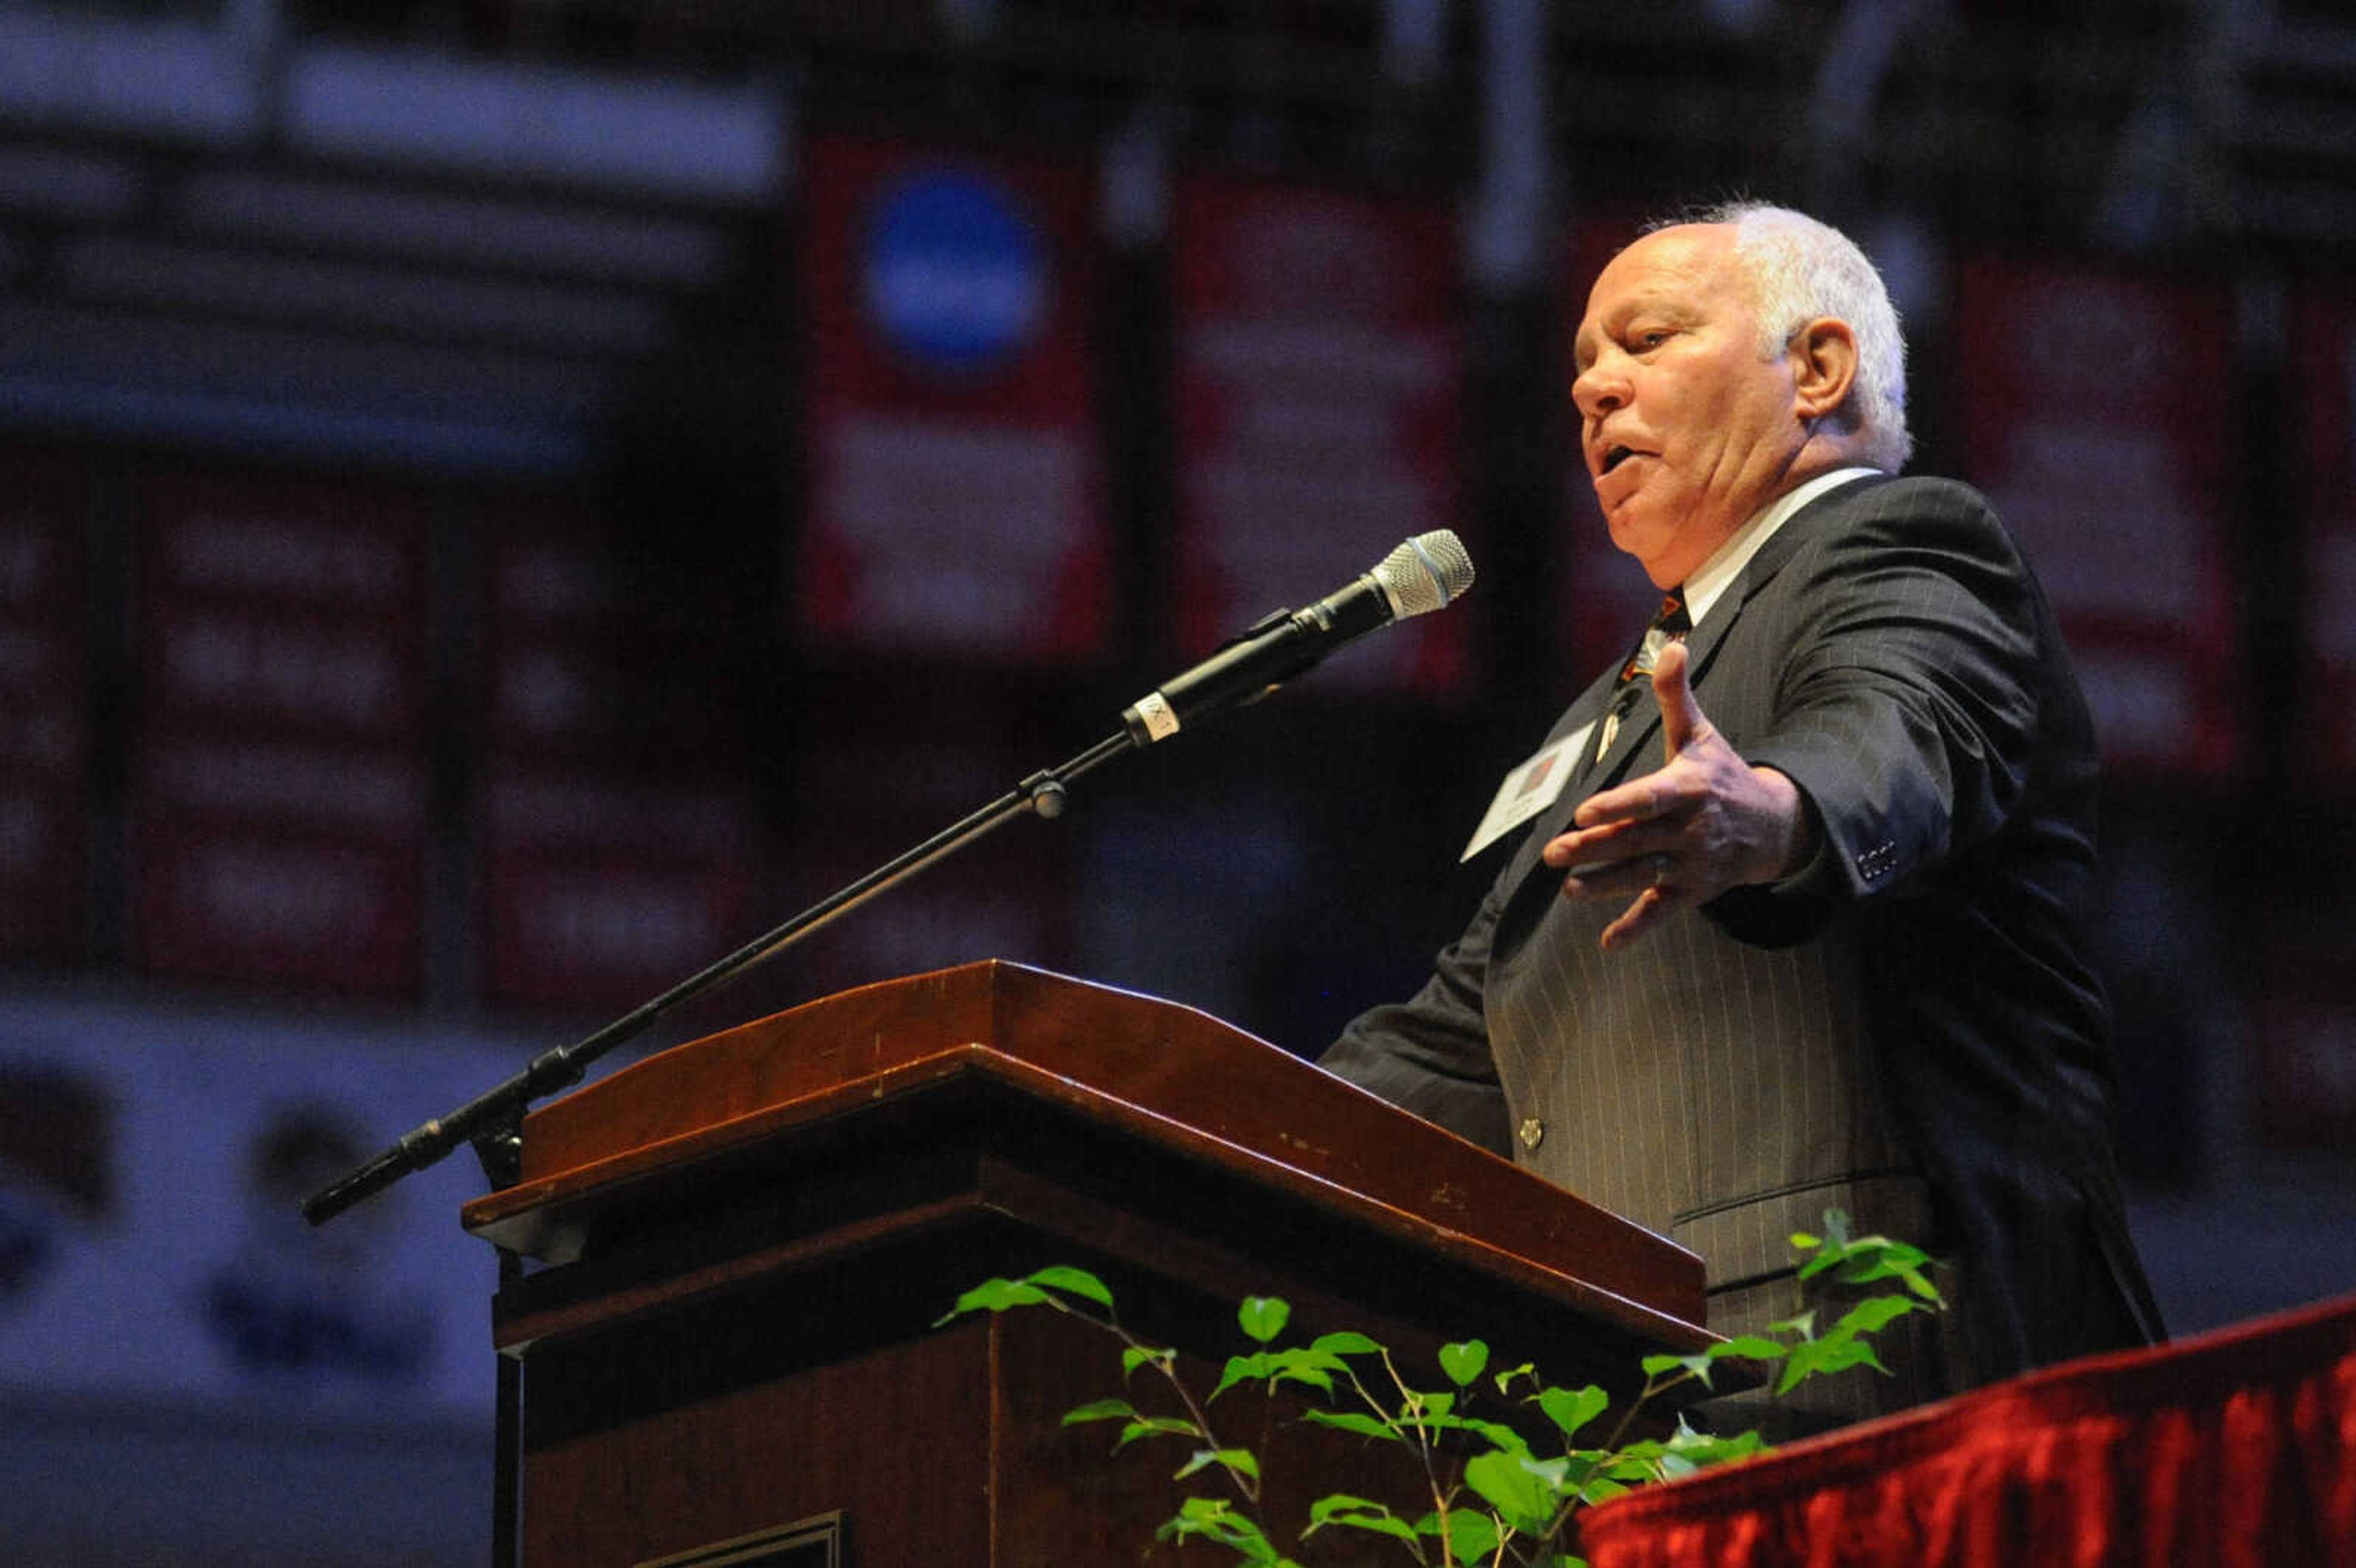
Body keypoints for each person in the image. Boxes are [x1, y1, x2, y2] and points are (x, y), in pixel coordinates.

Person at [1318, 201, 2165, 1429]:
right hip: (1622, 1422)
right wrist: (1149, 1132)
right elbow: (1454, 1049)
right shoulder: (1603, 722)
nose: (1595, 390)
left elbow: (1897, 730)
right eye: (1582, 368)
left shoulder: (1901, 544)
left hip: (1872, 1390)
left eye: (1645, 339)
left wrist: (1778, 812)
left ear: (1818, 369)